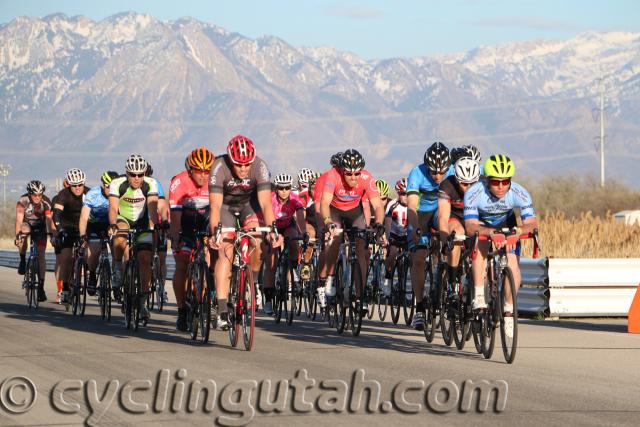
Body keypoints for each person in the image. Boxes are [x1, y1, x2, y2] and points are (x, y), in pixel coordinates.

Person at [464, 154, 538, 338]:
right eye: (496, 182)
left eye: (505, 182)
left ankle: (508, 310)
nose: (500, 186)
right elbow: (470, 226)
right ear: (487, 180)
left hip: (508, 224)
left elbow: (532, 223)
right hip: (482, 225)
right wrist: (488, 232)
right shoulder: (475, 193)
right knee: (480, 246)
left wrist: (519, 230)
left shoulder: (520, 192)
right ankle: (480, 294)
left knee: (512, 265)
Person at [208, 135, 278, 330]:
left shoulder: (260, 166)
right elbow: (214, 207)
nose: (243, 169)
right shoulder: (218, 167)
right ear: (230, 160)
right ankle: (222, 309)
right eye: (239, 165)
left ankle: (252, 282)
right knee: (225, 251)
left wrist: (273, 229)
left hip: (249, 206)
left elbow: (265, 204)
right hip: (225, 207)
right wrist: (216, 233)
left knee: (257, 238)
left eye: (247, 165)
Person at [320, 149, 386, 312]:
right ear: (342, 170)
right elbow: (324, 203)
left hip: (355, 213)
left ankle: (359, 295)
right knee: (334, 241)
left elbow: (377, 205)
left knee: (361, 250)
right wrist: (328, 222)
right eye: (349, 174)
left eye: (357, 173)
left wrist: (378, 223)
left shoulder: (367, 177)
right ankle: (330, 277)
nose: (353, 178)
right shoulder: (334, 175)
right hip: (335, 211)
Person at [406, 142, 452, 330]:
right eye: (434, 172)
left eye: (442, 172)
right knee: (418, 259)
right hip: (421, 215)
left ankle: (451, 291)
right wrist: (416, 228)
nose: (438, 176)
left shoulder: (453, 172)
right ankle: (419, 308)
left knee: (452, 244)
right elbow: (411, 205)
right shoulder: (417, 173)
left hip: (442, 212)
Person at [109, 154, 160, 323]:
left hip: (142, 223)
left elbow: (153, 206)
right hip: (123, 219)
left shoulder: (150, 183)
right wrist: (112, 223)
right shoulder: (117, 183)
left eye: (140, 174)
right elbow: (113, 207)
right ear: (127, 173)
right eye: (133, 174)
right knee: (120, 234)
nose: (137, 178)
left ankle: (143, 301)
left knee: (144, 259)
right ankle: (117, 268)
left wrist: (154, 225)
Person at [170, 147, 215, 331]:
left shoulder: (213, 182)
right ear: (190, 170)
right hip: (184, 222)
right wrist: (175, 237)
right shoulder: (179, 182)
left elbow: (218, 213)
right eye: (199, 171)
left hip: (205, 219)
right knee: (181, 262)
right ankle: (181, 309)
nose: (203, 175)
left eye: (207, 171)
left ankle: (210, 297)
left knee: (215, 253)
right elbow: (174, 218)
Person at [263, 173, 306, 315]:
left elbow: (300, 218)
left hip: (288, 226)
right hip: (272, 227)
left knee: (294, 239)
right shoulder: (270, 199)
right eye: (281, 188)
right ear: (276, 188)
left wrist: (304, 232)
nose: (284, 191)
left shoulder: (295, 199)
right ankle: (268, 300)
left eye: (287, 188)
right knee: (271, 263)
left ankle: (293, 268)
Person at [437, 157, 481, 297]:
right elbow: (443, 218)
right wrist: (446, 241)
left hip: (473, 218)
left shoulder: (484, 185)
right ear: (456, 179)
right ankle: (452, 281)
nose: (468, 187)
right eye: (464, 183)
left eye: (472, 183)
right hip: (454, 217)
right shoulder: (446, 185)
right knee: (457, 233)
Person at [52, 168, 89, 304]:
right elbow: (56, 214)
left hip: (83, 228)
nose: (78, 188)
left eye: (80, 184)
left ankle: (85, 273)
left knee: (88, 253)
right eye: (74, 185)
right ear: (69, 184)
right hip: (67, 227)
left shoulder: (89, 193)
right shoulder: (63, 195)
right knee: (66, 258)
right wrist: (59, 229)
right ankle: (65, 289)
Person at [79, 171, 119, 296]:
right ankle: (92, 275)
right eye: (108, 187)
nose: (110, 190)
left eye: (113, 187)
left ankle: (116, 281)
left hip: (111, 224)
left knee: (117, 250)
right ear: (103, 185)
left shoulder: (119, 194)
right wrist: (82, 235)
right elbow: (84, 217)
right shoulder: (93, 194)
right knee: (95, 251)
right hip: (94, 226)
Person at [15, 180, 54, 301]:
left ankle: (41, 288)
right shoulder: (23, 201)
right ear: (29, 194)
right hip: (27, 224)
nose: (37, 197)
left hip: (40, 226)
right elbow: (19, 221)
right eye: (34, 195)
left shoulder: (46, 202)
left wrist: (51, 234)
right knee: (23, 233)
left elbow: (49, 220)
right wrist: (17, 236)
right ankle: (22, 259)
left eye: (39, 195)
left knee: (41, 255)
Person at [382, 178, 409, 297]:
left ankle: (406, 282)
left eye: (408, 194)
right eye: (403, 194)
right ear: (398, 194)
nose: (406, 197)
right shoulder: (392, 204)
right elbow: (387, 222)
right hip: (394, 234)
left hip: (408, 234)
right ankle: (387, 279)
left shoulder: (414, 204)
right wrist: (388, 238)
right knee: (392, 253)